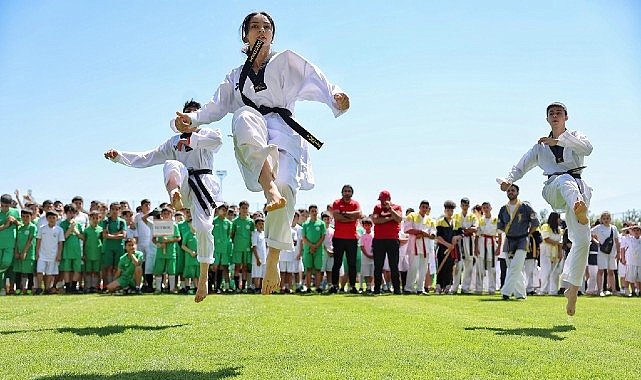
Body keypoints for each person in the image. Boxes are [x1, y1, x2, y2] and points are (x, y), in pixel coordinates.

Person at [173, 12, 350, 295]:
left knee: (286, 185)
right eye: (255, 27)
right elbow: (214, 107)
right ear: (245, 35)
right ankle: (269, 189)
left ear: (272, 35)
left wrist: (336, 97)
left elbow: (317, 79)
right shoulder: (235, 77)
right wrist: (192, 121)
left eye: (266, 27)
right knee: (243, 115)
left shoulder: (287, 62)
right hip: (253, 133)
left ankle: (273, 258)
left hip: (285, 131)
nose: (261, 30)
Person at [106, 100, 222, 302]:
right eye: (187, 113)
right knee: (171, 163)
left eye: (195, 114)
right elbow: (147, 157)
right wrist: (120, 157)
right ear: (181, 117)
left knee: (203, 228)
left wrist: (192, 139)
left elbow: (217, 141)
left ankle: (203, 279)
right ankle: (174, 194)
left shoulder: (207, 135)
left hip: (204, 184)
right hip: (183, 184)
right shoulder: (173, 142)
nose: (190, 116)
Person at [499, 102, 592, 316]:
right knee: (564, 179)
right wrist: (508, 180)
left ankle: (572, 289)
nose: (555, 115)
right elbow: (522, 165)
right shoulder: (540, 146)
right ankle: (578, 205)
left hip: (578, 192)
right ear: (547, 118)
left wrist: (559, 141)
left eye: (559, 112)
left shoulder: (576, 136)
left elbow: (588, 149)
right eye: (551, 113)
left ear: (566, 117)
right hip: (554, 189)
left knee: (583, 240)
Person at [497, 184, 540, 300]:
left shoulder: (525, 207)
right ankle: (521, 294)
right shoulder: (503, 209)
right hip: (509, 240)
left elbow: (535, 223)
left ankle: (506, 292)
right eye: (509, 190)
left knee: (515, 266)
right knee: (513, 267)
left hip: (522, 239)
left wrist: (528, 233)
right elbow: (500, 226)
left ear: (517, 192)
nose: (510, 192)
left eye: (513, 190)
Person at [330, 185, 362, 293]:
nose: (347, 193)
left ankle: (352, 286)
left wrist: (344, 214)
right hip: (338, 238)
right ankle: (334, 285)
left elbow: (359, 214)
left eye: (349, 191)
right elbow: (337, 217)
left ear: (352, 193)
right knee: (337, 263)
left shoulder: (355, 203)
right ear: (342, 192)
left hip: (352, 238)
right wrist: (351, 218)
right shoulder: (336, 203)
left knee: (352, 263)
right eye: (345, 191)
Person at [371, 190, 403, 295]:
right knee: (378, 265)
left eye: (383, 200)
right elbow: (375, 220)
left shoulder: (397, 207)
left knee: (394, 265)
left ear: (388, 199)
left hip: (392, 239)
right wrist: (389, 218)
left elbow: (398, 219)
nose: (382, 202)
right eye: (380, 200)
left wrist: (390, 209)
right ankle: (376, 289)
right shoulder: (377, 208)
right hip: (378, 239)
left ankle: (397, 289)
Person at [404, 201, 435, 295]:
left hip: (426, 246)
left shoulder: (430, 219)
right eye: (423, 207)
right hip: (414, 246)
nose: (424, 209)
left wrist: (429, 234)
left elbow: (433, 233)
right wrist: (420, 232)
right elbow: (407, 229)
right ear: (419, 207)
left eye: (426, 207)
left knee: (423, 269)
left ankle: (420, 289)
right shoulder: (412, 216)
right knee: (413, 267)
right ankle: (408, 288)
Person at [151, 208, 181, 293]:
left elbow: (178, 238)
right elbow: (153, 239)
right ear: (161, 215)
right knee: (158, 270)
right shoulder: (158, 225)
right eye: (164, 213)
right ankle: (158, 289)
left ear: (171, 215)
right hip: (160, 252)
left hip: (171, 252)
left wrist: (168, 241)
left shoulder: (174, 226)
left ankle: (171, 289)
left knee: (172, 271)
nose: (166, 215)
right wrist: (158, 243)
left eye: (168, 213)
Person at [35, 211, 65, 295]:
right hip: (42, 254)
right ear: (47, 219)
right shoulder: (42, 228)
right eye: (50, 218)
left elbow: (60, 243)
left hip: (53, 255)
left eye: (53, 218)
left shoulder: (59, 230)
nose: (51, 219)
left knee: (49, 273)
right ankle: (39, 287)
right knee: (40, 271)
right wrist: (37, 252)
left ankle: (47, 288)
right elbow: (38, 241)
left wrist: (59, 254)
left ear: (56, 219)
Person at [435, 201, 462, 294]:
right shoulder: (440, 222)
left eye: (451, 210)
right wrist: (447, 245)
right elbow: (438, 237)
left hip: (452, 249)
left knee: (450, 267)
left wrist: (456, 238)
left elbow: (461, 234)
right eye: (448, 210)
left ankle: (447, 286)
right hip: (443, 248)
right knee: (441, 265)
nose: (449, 212)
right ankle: (438, 286)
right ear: (445, 210)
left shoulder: (456, 222)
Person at [591, 211, 620, 297]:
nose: (606, 220)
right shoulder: (598, 227)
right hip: (602, 252)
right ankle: (600, 290)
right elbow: (590, 234)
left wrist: (618, 252)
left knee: (611, 271)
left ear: (610, 219)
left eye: (607, 218)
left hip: (612, 252)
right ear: (601, 220)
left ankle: (614, 290)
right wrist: (597, 243)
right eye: (604, 218)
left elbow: (617, 240)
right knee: (600, 271)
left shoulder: (614, 228)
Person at [452, 197, 478, 294]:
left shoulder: (472, 216)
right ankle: (454, 287)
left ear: (468, 205)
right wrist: (465, 230)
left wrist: (465, 229)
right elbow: (455, 228)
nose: (465, 207)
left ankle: (465, 288)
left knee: (469, 265)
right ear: (461, 205)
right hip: (459, 241)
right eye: (463, 205)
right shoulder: (456, 216)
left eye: (466, 205)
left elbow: (475, 228)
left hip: (470, 241)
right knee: (458, 264)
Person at [474, 202, 500, 294]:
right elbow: (477, 235)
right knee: (480, 267)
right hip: (482, 243)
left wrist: (499, 247)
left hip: (492, 243)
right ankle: (479, 289)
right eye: (484, 208)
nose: (485, 209)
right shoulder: (480, 220)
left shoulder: (496, 219)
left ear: (490, 208)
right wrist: (475, 248)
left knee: (492, 268)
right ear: (482, 209)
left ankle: (492, 289)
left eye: (487, 207)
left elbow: (500, 234)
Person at [59, 204, 85, 293]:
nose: (71, 215)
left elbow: (83, 237)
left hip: (77, 251)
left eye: (73, 212)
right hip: (66, 251)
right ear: (66, 213)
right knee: (66, 270)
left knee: (77, 269)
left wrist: (76, 231)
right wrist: (70, 228)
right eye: (69, 212)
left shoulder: (78, 224)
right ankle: (67, 287)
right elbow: (63, 237)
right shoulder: (62, 224)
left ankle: (74, 286)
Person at [231, 201, 255, 292]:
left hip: (247, 248)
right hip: (237, 247)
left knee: (245, 267)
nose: (245, 210)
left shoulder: (251, 222)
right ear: (239, 209)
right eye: (243, 208)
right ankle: (237, 287)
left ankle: (244, 287)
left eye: (246, 208)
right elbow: (232, 235)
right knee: (237, 267)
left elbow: (252, 235)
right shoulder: (235, 221)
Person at [538, 212, 564, 295]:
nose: (559, 220)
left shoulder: (559, 229)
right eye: (558, 218)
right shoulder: (545, 227)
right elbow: (546, 239)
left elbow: (560, 243)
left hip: (555, 253)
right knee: (546, 271)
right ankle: (543, 290)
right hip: (546, 252)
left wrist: (560, 253)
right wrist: (557, 243)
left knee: (554, 273)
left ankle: (553, 290)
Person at [301, 205, 325, 292]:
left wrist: (316, 246)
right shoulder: (305, 224)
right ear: (309, 213)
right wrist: (311, 246)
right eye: (312, 211)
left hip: (318, 250)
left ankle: (318, 287)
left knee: (318, 269)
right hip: (308, 250)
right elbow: (304, 237)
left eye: (315, 211)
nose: (314, 213)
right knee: (309, 269)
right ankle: (308, 287)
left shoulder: (321, 223)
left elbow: (323, 236)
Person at [0, 194, 21, 295]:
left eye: (7, 206)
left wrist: (16, 221)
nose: (5, 208)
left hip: (10, 244)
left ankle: (8, 288)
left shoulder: (15, 212)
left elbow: (21, 225)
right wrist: (6, 225)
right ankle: (2, 288)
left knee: (6, 263)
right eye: (3, 205)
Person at [14, 209, 37, 294]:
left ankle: (30, 289)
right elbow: (16, 240)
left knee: (29, 272)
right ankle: (18, 289)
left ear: (31, 217)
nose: (25, 218)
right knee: (18, 271)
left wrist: (24, 252)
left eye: (27, 216)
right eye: (23, 216)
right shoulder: (19, 227)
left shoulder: (32, 227)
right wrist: (16, 252)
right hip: (18, 253)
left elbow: (30, 240)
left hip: (28, 253)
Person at [212, 203, 233, 293]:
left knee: (222, 267)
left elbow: (229, 235)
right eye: (223, 210)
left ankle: (218, 287)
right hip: (215, 248)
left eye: (226, 210)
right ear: (218, 210)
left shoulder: (228, 223)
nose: (224, 212)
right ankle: (210, 285)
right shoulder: (213, 221)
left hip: (224, 248)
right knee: (214, 267)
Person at [82, 211, 103, 293]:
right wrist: (84, 254)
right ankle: (88, 286)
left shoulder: (101, 230)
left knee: (96, 271)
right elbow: (84, 243)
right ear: (90, 219)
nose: (95, 220)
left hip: (98, 253)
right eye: (93, 218)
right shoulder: (86, 230)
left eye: (97, 218)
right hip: (88, 253)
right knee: (88, 271)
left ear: (99, 219)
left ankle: (95, 286)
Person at [622, 223, 641, 296]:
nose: (636, 232)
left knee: (639, 279)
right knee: (629, 278)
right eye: (634, 230)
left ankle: (639, 291)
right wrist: (630, 228)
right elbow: (623, 230)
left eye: (638, 230)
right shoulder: (629, 238)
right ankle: (627, 291)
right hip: (631, 262)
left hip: (639, 262)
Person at [251, 217, 267, 293]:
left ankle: (261, 288)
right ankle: (256, 288)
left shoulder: (264, 234)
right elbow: (254, 247)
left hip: (264, 258)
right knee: (257, 274)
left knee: (262, 274)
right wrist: (257, 258)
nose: (261, 225)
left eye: (262, 224)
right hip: (257, 258)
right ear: (256, 225)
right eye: (259, 224)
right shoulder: (255, 234)